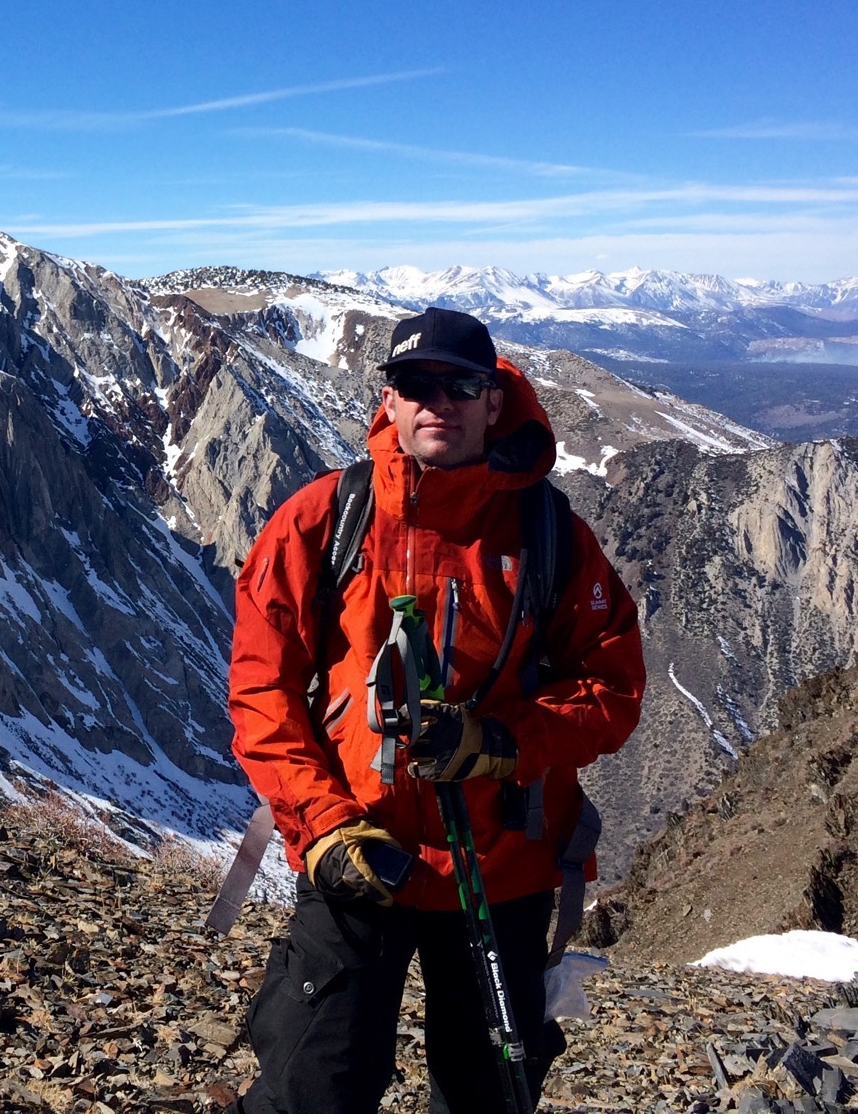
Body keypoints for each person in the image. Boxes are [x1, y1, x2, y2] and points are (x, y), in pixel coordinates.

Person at [228, 306, 645, 1113]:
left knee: (487, 1098)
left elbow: (614, 687)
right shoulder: (322, 520)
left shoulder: (549, 534)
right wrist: (324, 827)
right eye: (416, 383)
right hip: (358, 852)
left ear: (495, 400)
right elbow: (261, 692)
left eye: (460, 385)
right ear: (388, 399)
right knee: (310, 1092)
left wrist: (503, 741)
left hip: (502, 866)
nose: (437, 401)